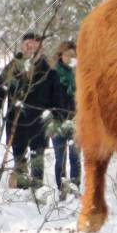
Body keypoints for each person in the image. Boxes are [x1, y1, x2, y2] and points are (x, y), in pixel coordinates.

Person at [0, 32, 66, 189]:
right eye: (26, 45)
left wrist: (56, 122)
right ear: (21, 47)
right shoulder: (11, 69)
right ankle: (21, 192)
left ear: (41, 49)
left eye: (34, 45)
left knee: (38, 159)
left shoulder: (49, 73)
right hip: (16, 124)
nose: (30, 48)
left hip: (40, 125)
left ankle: (37, 191)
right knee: (19, 160)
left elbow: (58, 102)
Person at [49, 39, 81, 195]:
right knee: (60, 158)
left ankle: (75, 187)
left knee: (75, 157)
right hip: (57, 122)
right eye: (67, 55)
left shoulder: (79, 74)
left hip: (76, 121)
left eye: (73, 55)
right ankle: (61, 188)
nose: (70, 58)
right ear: (60, 55)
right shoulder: (53, 74)